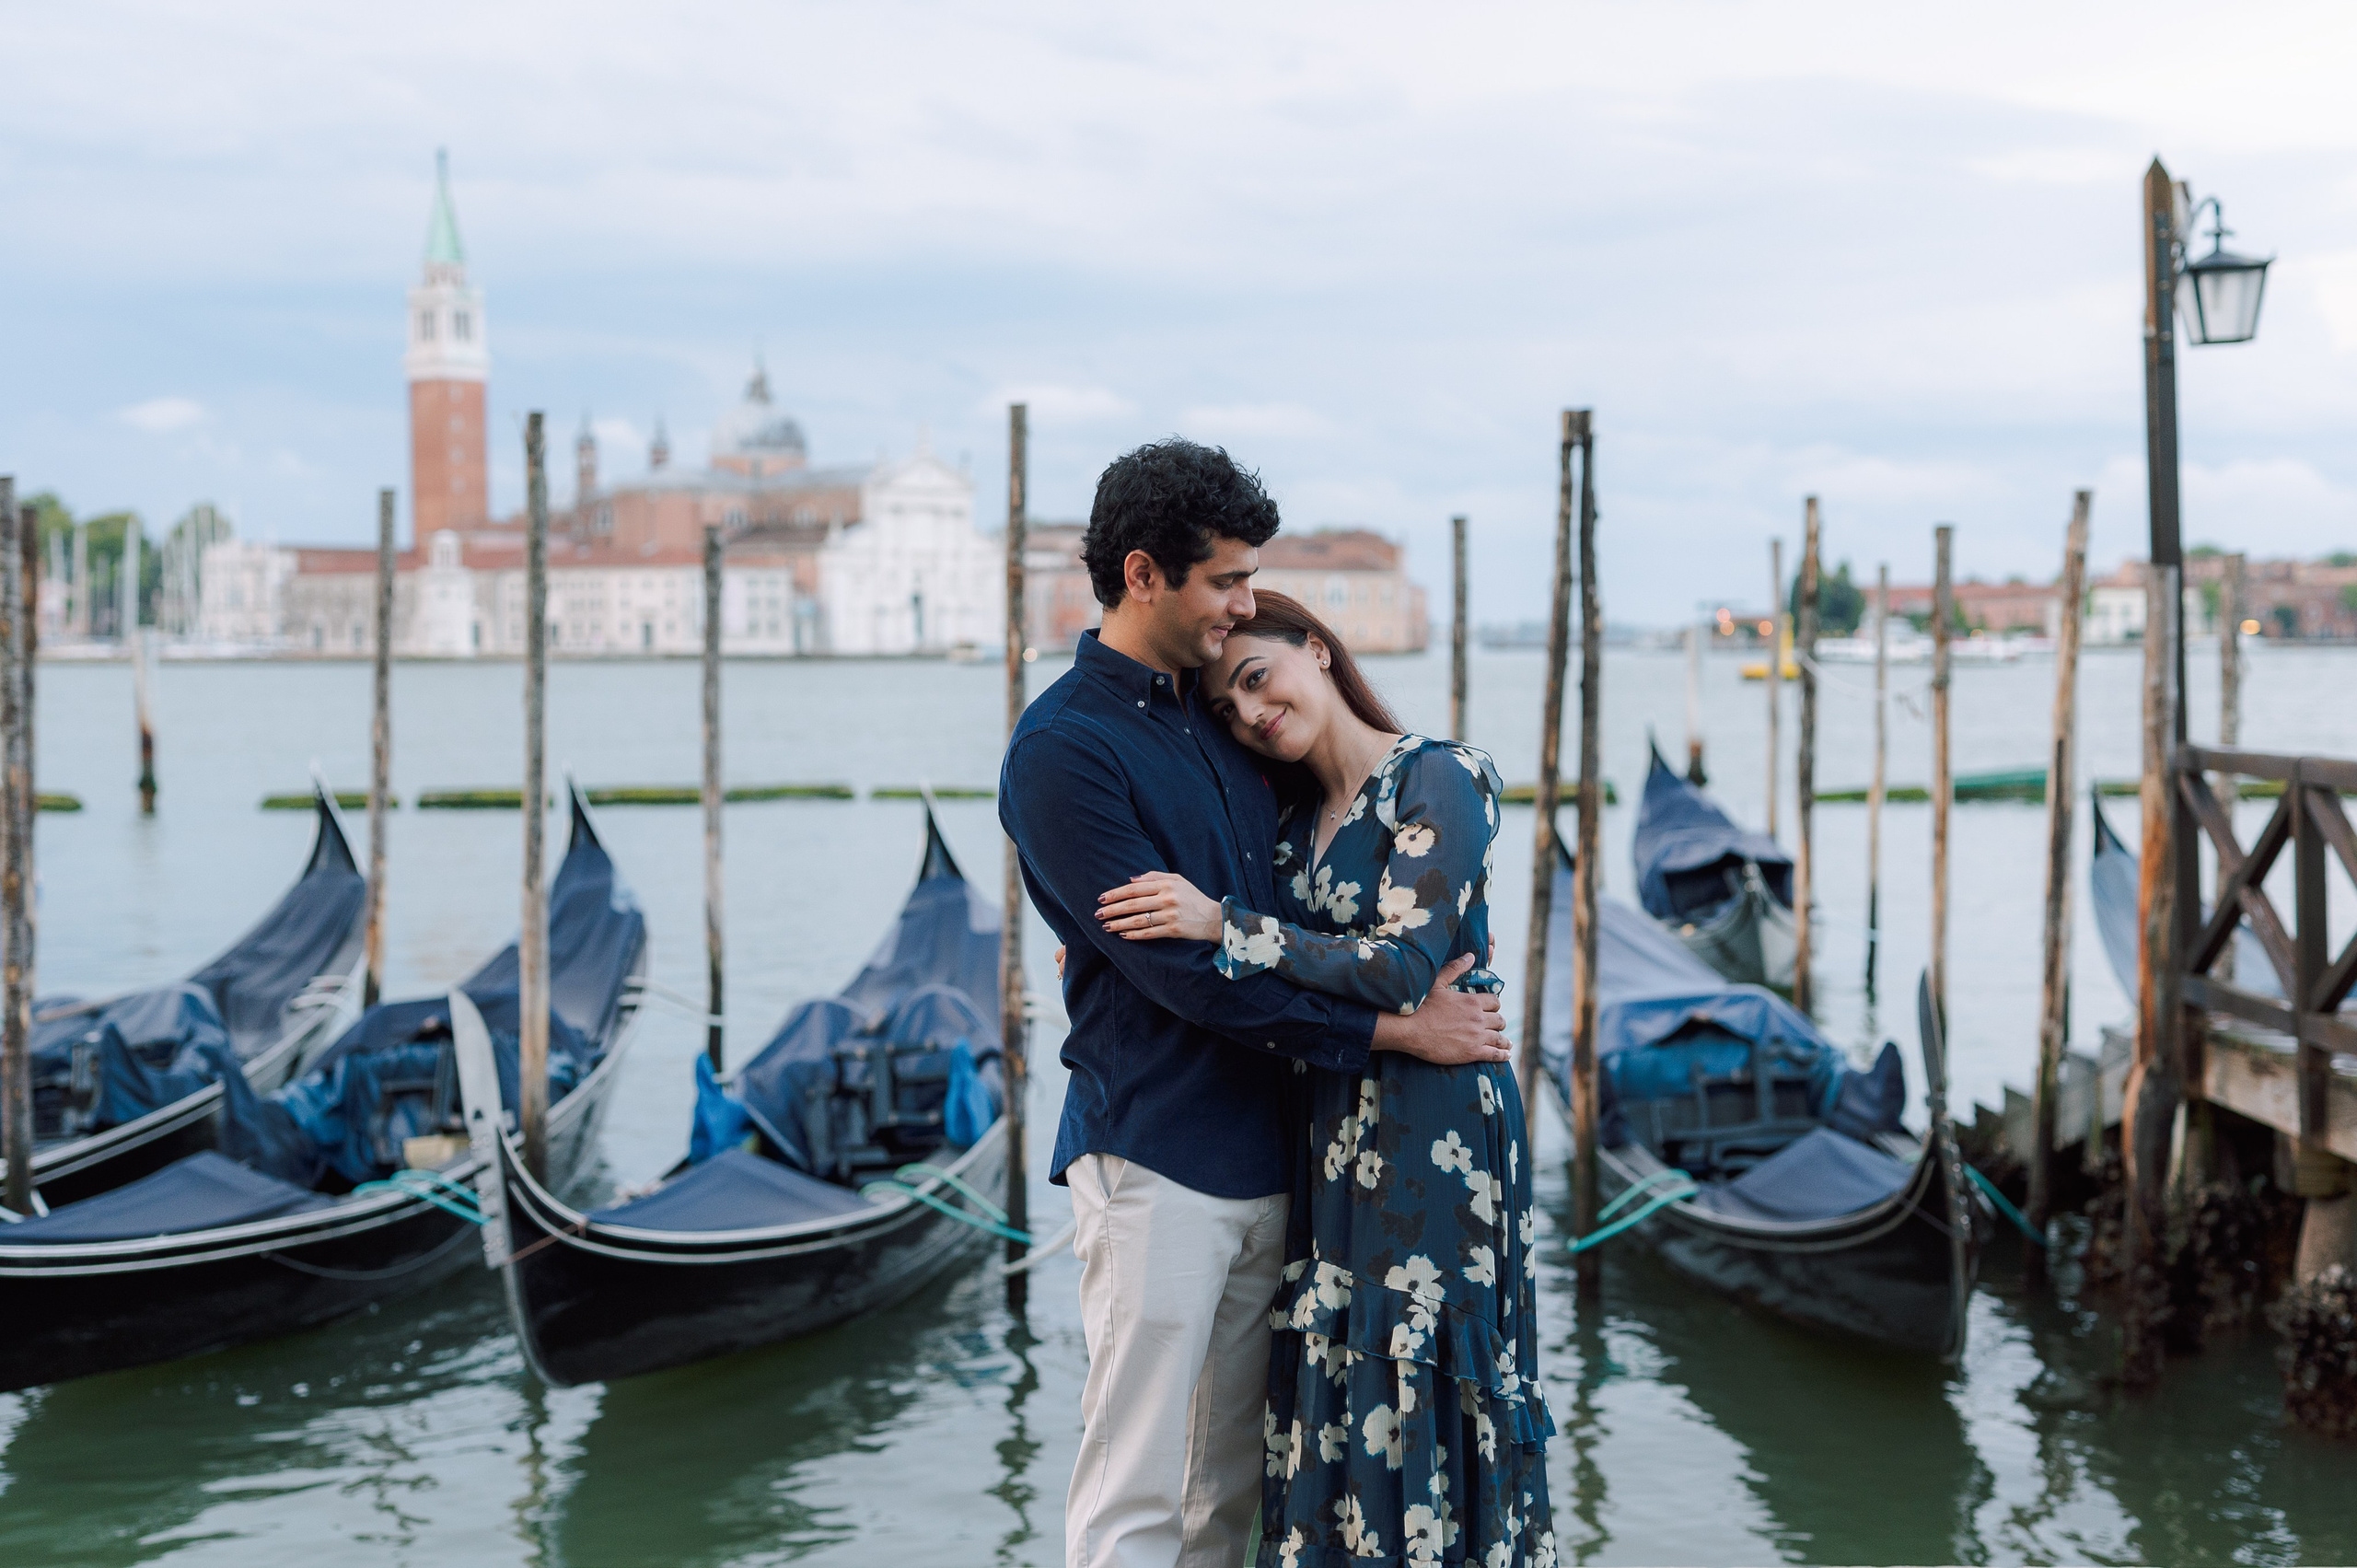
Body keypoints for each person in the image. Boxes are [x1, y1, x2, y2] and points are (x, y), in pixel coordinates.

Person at [1000, 440, 1512, 1568]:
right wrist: (1394, 1029)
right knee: (1136, 1485)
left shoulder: (1223, 720)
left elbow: (1338, 900)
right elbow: (1183, 975)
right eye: (1226, 579)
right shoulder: (1062, 750)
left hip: (1288, 1162)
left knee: (1228, 1486)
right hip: (1156, 1158)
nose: (1244, 603)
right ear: (1143, 575)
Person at [1095, 590, 1556, 1568]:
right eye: (1226, 707)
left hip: (1434, 1133)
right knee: (1333, 1384)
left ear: (1316, 648)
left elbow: (1396, 962)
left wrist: (1223, 923)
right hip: (1325, 1127)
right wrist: (1102, 951)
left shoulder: (1438, 775)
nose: (1252, 712)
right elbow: (1245, 966)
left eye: (1256, 677)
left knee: (1416, 1372)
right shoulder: (1285, 820)